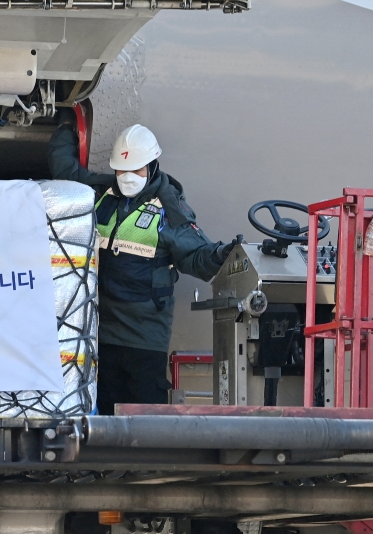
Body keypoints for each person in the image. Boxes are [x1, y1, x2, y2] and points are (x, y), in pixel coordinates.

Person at [49, 115, 241, 414]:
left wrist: (221, 254)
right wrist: (65, 128)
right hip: (101, 331)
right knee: (104, 409)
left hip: (145, 336)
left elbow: (196, 259)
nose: (127, 176)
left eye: (135, 169)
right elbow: (67, 173)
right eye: (121, 169)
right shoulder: (101, 195)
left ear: (152, 166)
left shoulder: (169, 210)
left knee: (143, 413)